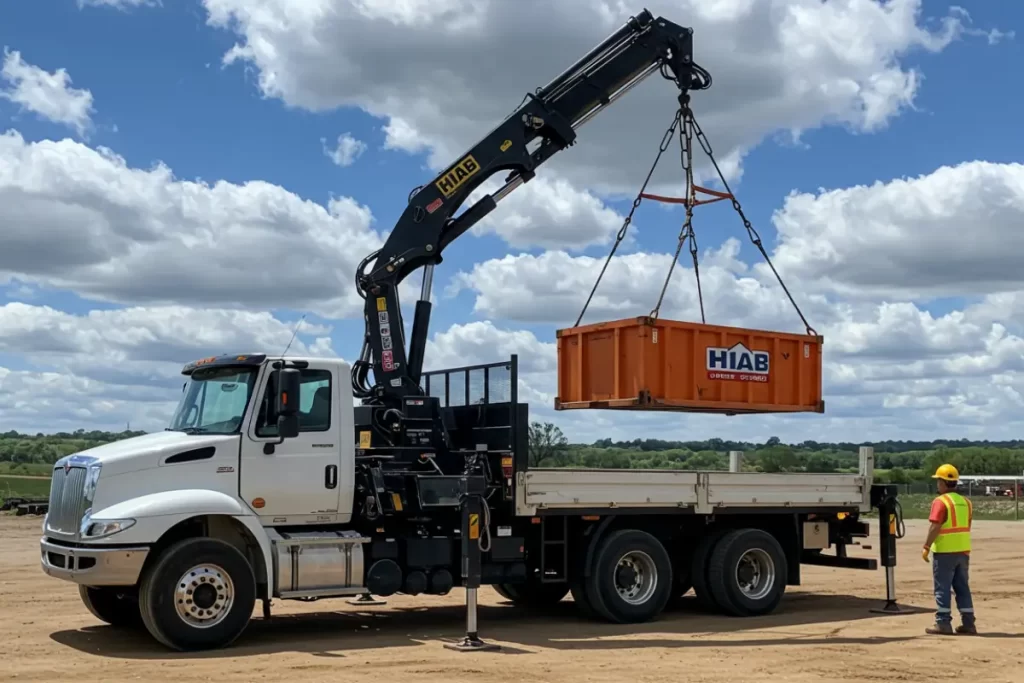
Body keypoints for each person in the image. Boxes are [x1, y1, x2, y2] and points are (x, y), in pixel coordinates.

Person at [921, 463, 977, 635]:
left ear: (943, 482)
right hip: (963, 551)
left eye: (938, 481)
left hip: (945, 552)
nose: (937, 484)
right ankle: (968, 623)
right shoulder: (966, 502)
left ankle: (943, 623)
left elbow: (935, 526)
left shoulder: (940, 501)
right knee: (962, 587)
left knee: (942, 588)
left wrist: (926, 546)